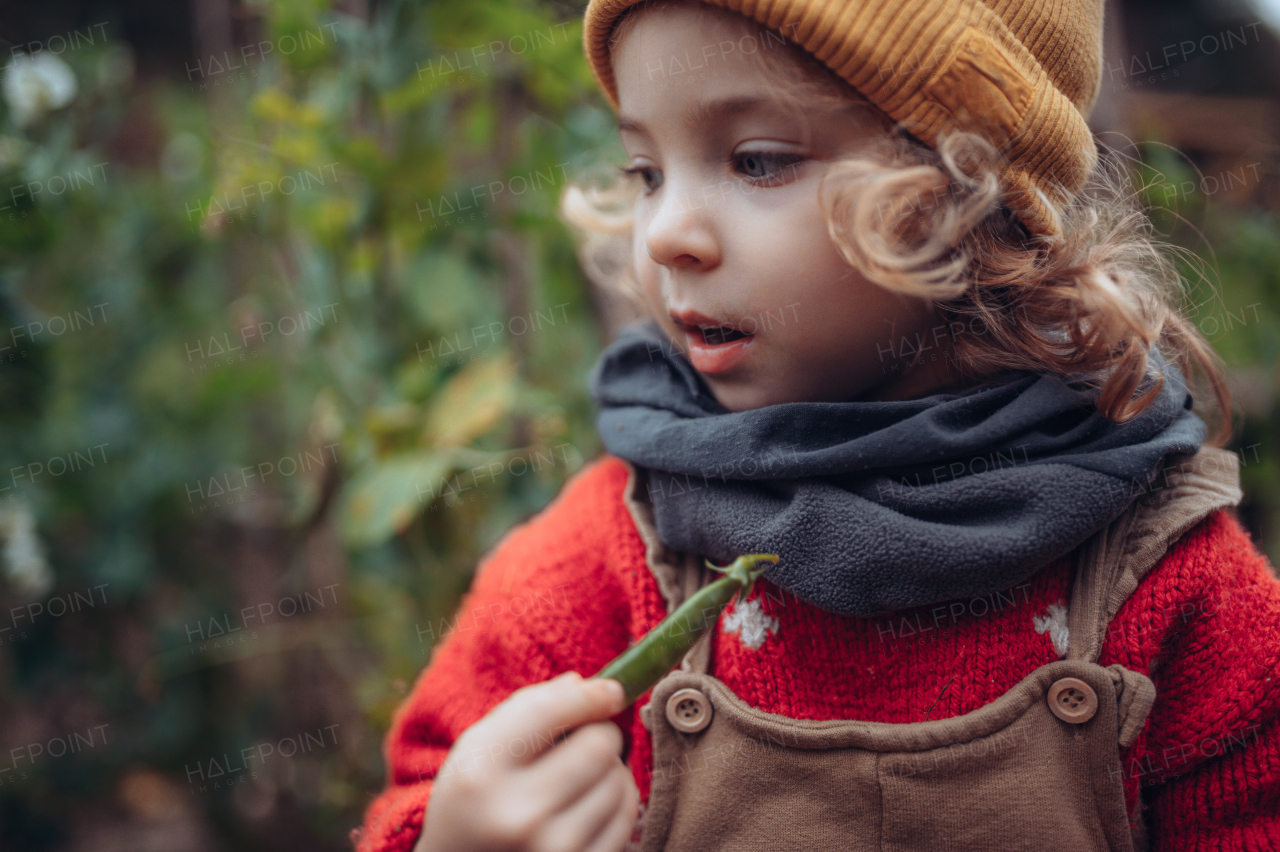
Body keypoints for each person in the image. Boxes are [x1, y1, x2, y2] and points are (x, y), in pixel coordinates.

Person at [354, 1, 1280, 849]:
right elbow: (428, 785)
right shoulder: (605, 560)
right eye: (646, 170)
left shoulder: (1169, 588)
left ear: (971, 194)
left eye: (757, 159)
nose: (668, 231)